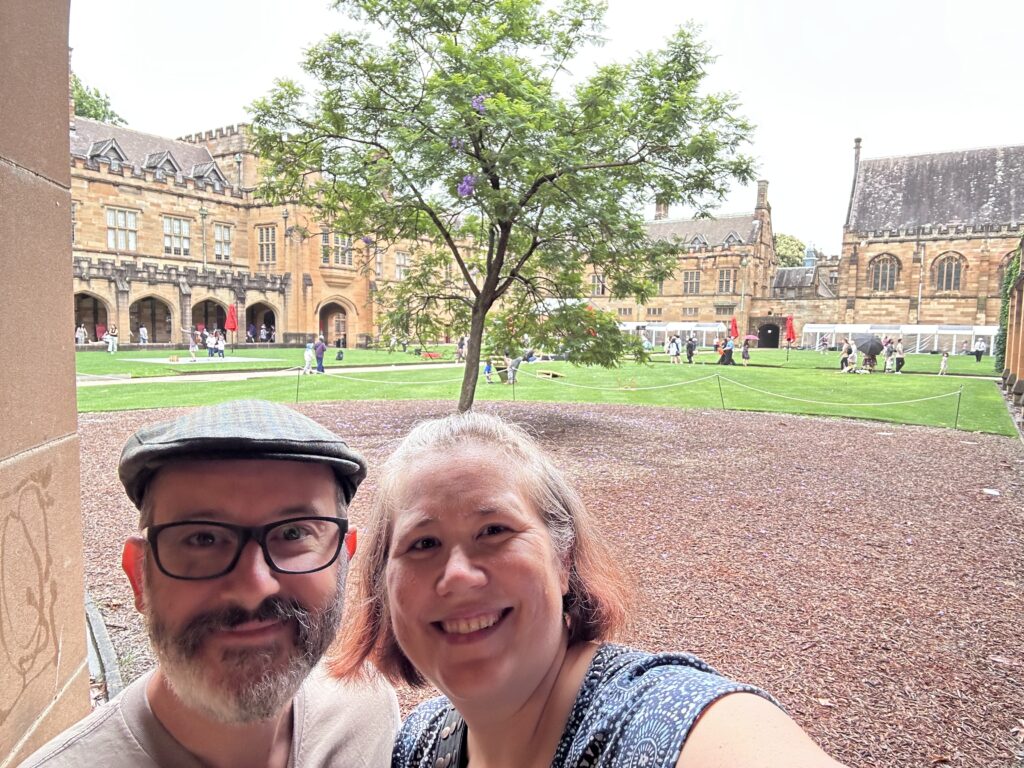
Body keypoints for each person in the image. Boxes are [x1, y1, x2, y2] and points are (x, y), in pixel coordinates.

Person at [330, 412, 846, 768]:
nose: (459, 574)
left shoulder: (655, 719)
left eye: (494, 531)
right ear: (383, 586)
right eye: (423, 543)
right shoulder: (422, 745)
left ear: (563, 557)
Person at [21, 399, 399, 767]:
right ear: (140, 576)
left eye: (294, 532)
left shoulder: (368, 715)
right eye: (202, 538)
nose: (253, 586)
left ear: (343, 559)